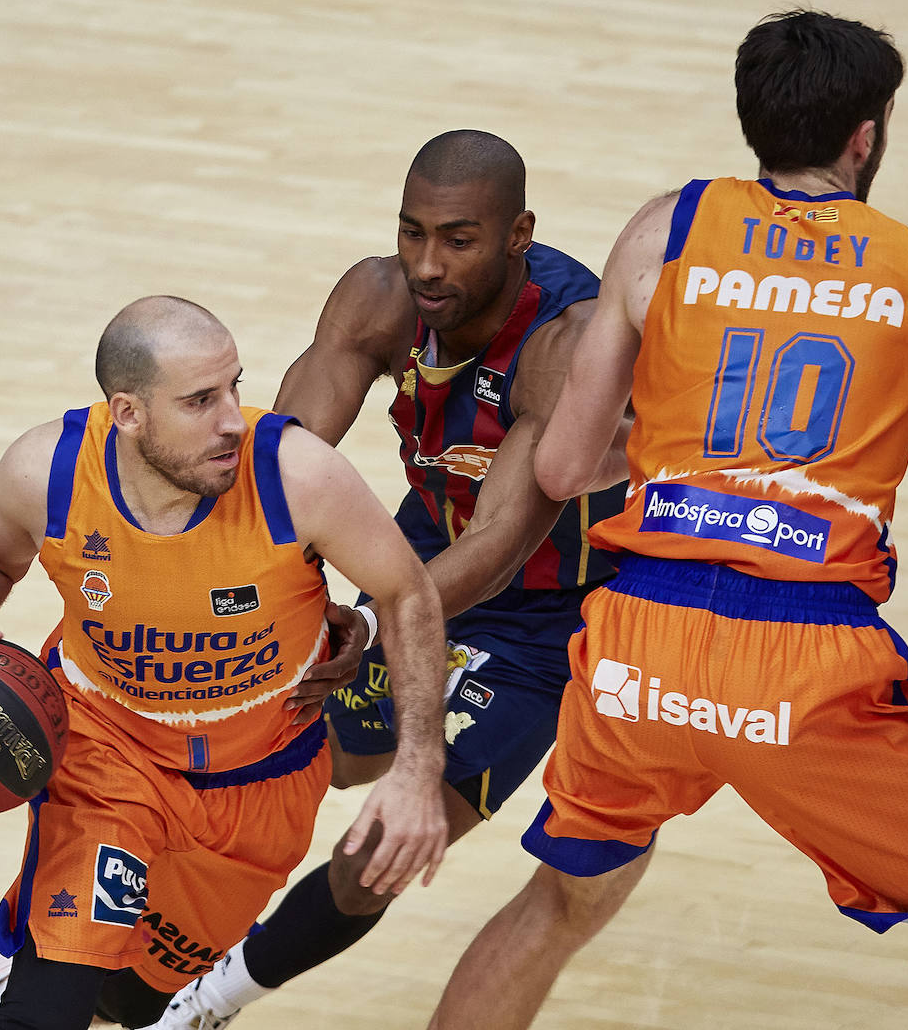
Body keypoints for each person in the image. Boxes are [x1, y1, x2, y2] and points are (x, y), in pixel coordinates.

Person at [426, 12, 908, 1030]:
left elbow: (566, 466)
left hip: (639, 648)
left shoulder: (666, 228)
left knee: (564, 899)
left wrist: (680, 454)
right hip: (807, 662)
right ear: (866, 136)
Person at [151, 130, 629, 1028]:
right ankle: (88, 942)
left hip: (551, 613)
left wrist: (371, 622)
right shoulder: (377, 299)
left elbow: (501, 542)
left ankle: (205, 1005)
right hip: (419, 553)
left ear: (519, 233)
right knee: (271, 761)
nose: (426, 264)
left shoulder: (564, 344)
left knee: (385, 847)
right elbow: (272, 470)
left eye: (458, 239)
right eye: (412, 233)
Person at [0, 295, 449, 1030]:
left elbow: (408, 594)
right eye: (201, 400)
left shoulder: (295, 475)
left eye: (235, 388)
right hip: (107, 759)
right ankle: (20, 988)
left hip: (266, 776)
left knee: (134, 1000)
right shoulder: (49, 471)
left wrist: (417, 769)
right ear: (128, 412)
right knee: (56, 997)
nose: (232, 419)